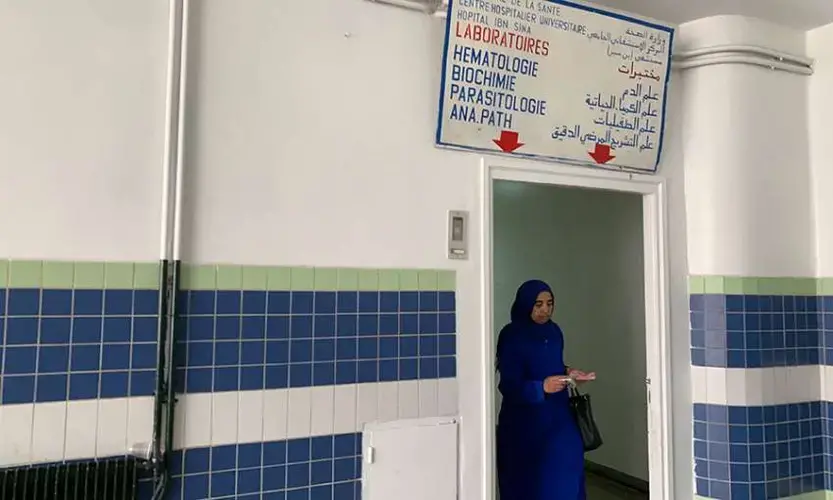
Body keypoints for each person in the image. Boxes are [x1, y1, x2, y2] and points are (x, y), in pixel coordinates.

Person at [495, 279, 596, 500]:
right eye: (538, 304)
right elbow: (508, 384)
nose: (545, 310)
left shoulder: (554, 332)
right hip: (524, 422)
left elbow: (551, 365)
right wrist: (541, 387)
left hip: (558, 415)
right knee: (529, 482)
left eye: (549, 304)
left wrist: (570, 373)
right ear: (525, 304)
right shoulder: (511, 335)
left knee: (568, 468)